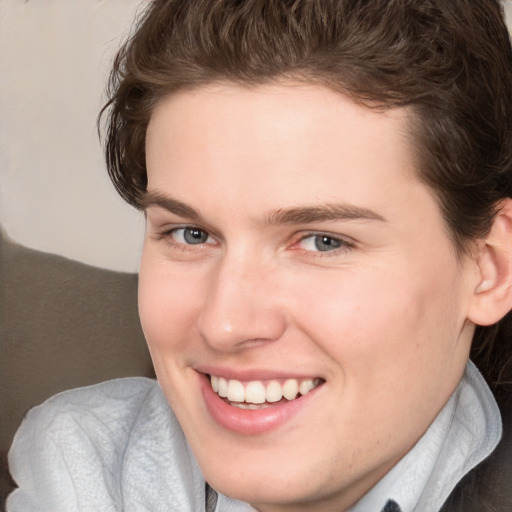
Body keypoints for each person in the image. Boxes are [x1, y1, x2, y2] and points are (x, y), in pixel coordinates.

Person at [7, 0, 512, 511]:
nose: (225, 323)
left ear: (490, 268)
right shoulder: (82, 469)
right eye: (191, 234)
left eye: (322, 241)